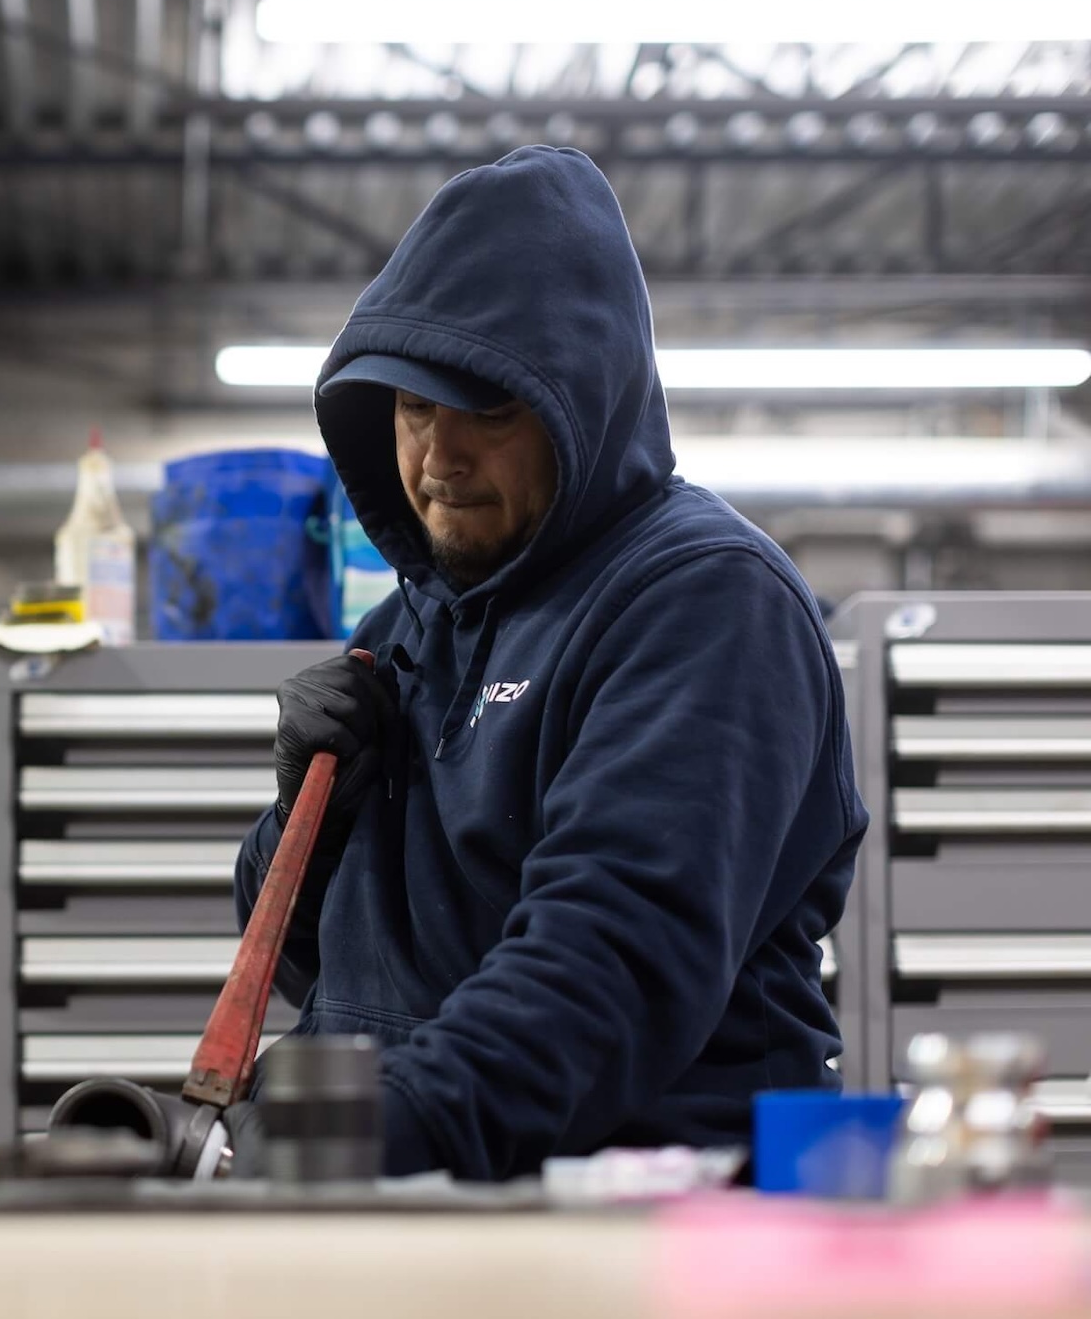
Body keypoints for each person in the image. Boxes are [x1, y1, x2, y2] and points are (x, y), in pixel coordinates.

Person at [234, 146, 868, 1181]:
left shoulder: (703, 601)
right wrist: (302, 820)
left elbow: (609, 966)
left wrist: (367, 1134)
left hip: (631, 1209)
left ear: (580, 397)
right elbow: (312, 964)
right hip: (415, 1189)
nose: (437, 457)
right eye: (410, 408)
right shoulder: (408, 620)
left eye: (485, 409)